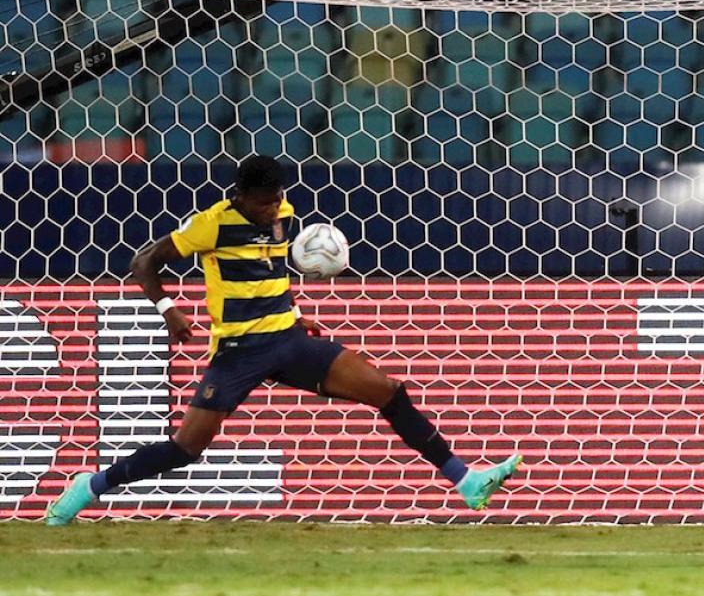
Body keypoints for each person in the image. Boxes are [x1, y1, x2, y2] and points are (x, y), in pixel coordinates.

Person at [47, 156, 520, 525]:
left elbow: (271, 270)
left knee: (389, 391)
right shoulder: (211, 223)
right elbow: (143, 263)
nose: (271, 209)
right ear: (241, 197)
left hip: (288, 339)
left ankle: (466, 480)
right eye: (262, 203)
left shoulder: (284, 214)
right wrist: (168, 310)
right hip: (238, 352)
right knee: (186, 449)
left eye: (276, 200)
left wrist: (295, 313)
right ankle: (89, 487)